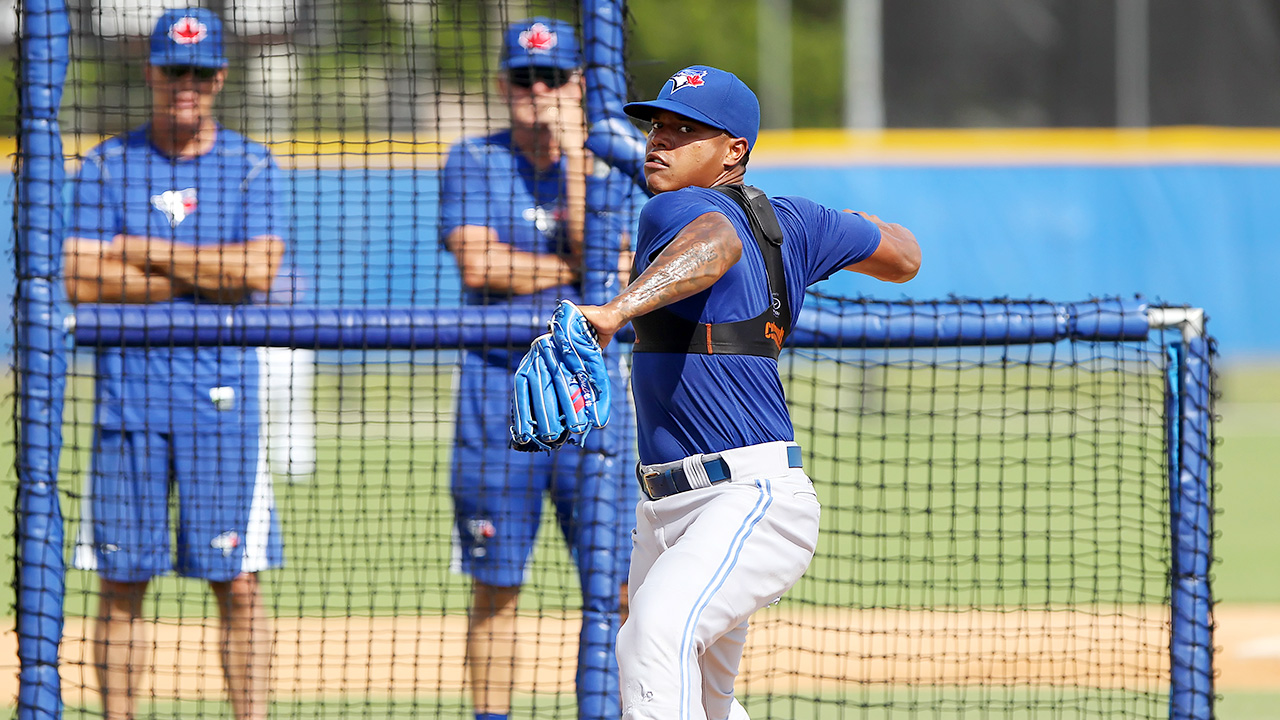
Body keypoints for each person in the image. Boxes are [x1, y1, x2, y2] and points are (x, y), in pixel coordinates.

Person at [569, 66, 922, 720]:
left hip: (745, 499)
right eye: (658, 126)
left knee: (654, 635)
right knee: (702, 696)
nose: (659, 141)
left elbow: (718, 242)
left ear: (734, 150)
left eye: (685, 130)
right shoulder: (797, 222)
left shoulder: (673, 207)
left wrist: (619, 309)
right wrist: (855, 226)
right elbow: (903, 256)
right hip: (673, 510)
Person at [65, 9, 285, 720]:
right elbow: (76, 277)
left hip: (221, 406)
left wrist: (142, 250)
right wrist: (198, 276)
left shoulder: (251, 164)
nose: (184, 84)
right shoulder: (106, 163)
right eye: (171, 70)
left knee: (238, 584)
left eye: (198, 71)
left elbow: (257, 268)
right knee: (121, 584)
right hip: (127, 402)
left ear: (219, 77)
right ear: (151, 72)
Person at [438, 17, 638, 720]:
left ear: (578, 85)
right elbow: (479, 264)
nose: (536, 91)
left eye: (551, 77)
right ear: (502, 84)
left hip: (592, 395)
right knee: (496, 585)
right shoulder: (472, 159)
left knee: (615, 585)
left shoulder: (611, 160)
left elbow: (606, 267)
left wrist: (578, 150)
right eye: (523, 78)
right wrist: (574, 275)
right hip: (499, 394)